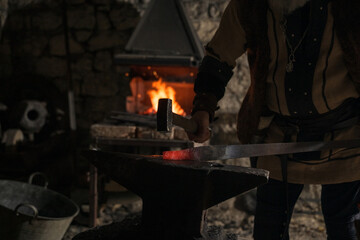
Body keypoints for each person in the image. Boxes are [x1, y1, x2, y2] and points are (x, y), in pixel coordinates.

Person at [188, 0, 360, 239]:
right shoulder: (249, 5)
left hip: (345, 137)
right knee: (269, 227)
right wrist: (203, 108)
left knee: (344, 224)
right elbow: (220, 55)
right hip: (278, 135)